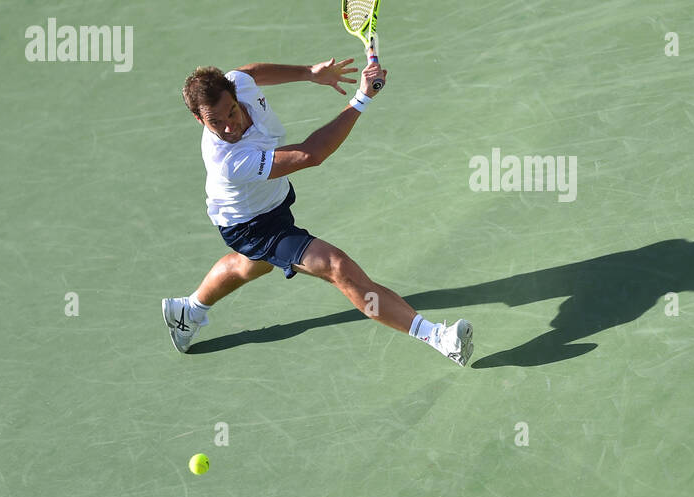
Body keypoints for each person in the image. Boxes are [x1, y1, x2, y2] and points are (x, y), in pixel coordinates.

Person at [162, 39, 473, 365]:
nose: (230, 126)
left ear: (235, 96)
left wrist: (310, 73)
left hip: (269, 202)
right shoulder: (229, 160)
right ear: (200, 120)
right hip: (252, 226)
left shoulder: (237, 84)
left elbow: (249, 72)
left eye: (232, 112)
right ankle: (438, 337)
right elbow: (311, 154)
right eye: (216, 123)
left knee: (249, 265)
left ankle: (188, 310)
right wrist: (362, 98)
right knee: (337, 267)